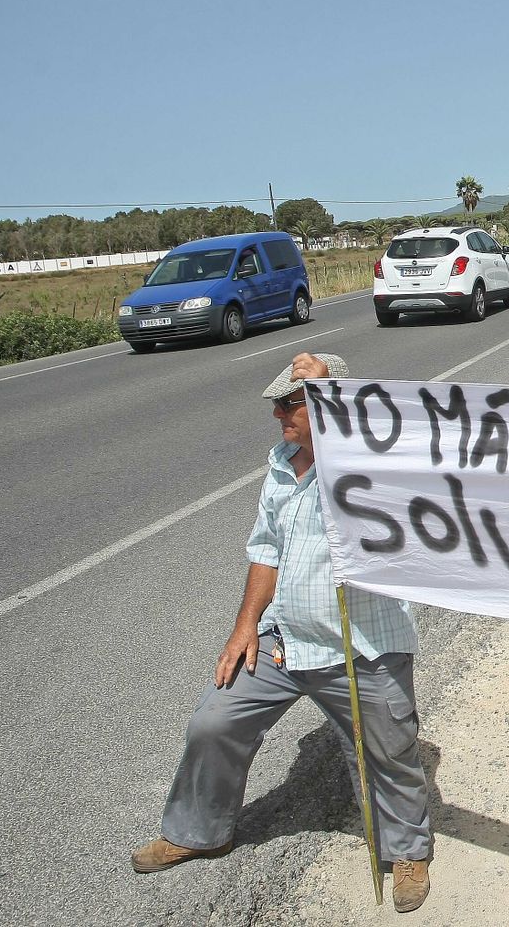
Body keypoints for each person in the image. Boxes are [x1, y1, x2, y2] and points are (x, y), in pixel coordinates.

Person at [132, 352, 434, 914]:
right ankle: (199, 831)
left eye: (289, 402)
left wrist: (333, 393)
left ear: (327, 404)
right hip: (285, 637)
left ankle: (407, 850)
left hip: (360, 643)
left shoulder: (373, 460)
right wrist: (244, 626)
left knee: (389, 750)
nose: (277, 414)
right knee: (214, 720)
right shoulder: (280, 465)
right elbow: (265, 548)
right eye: (277, 403)